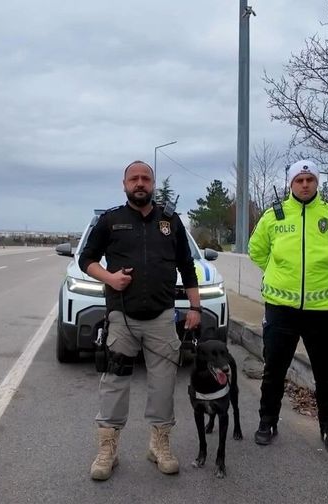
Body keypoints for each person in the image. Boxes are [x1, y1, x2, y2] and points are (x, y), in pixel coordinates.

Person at [79, 160, 201, 481]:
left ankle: (159, 444)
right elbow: (85, 259)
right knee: (114, 384)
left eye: (146, 178)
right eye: (134, 178)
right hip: (122, 317)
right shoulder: (110, 221)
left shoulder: (171, 222)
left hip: (162, 317)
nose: (140, 183)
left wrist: (195, 308)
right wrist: (109, 278)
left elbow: (187, 267)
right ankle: (108, 450)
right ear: (124, 184)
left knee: (163, 385)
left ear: (153, 184)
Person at [248, 159, 328, 455]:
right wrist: (278, 273)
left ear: (316, 182)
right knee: (274, 370)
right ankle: (267, 421)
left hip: (322, 310)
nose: (304, 184)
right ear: (291, 184)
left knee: (326, 374)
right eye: (299, 180)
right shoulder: (274, 216)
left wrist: (322, 276)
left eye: (309, 179)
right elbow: (257, 250)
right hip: (281, 309)